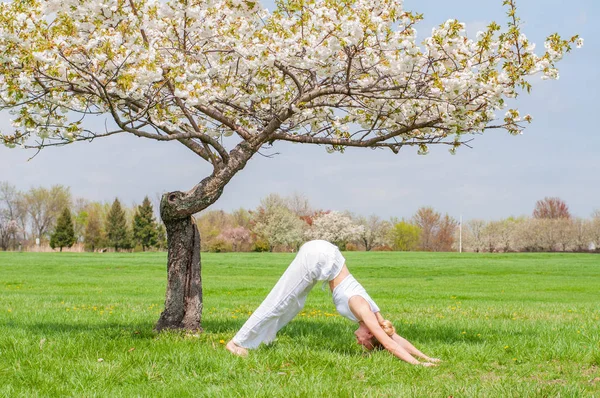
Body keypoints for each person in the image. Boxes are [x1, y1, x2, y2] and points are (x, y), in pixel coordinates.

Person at [226, 240, 440, 366]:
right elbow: (389, 343)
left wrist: (426, 356)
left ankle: (262, 340)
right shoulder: (362, 309)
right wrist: (419, 365)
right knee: (280, 301)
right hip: (320, 258)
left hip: (326, 258)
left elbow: (394, 337)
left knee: (293, 305)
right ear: (370, 335)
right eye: (365, 344)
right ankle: (236, 343)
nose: (359, 344)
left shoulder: (376, 317)